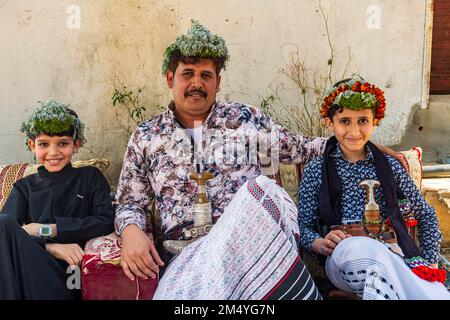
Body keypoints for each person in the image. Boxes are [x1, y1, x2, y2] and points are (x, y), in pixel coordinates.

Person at [114, 21, 406, 300]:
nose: (196, 84)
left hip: (248, 242)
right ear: (170, 78)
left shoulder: (244, 120)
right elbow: (129, 201)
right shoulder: (147, 136)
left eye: (206, 76)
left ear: (218, 82)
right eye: (187, 74)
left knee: (266, 191)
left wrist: (362, 143)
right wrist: (131, 231)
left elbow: (302, 147)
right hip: (186, 250)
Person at [298, 74, 450, 300]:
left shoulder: (390, 166)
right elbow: (302, 227)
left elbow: (426, 215)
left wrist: (427, 264)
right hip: (344, 256)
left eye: (363, 120)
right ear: (330, 123)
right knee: (366, 251)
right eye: (345, 121)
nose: (354, 131)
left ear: (375, 121)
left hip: (391, 254)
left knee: (407, 277)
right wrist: (320, 243)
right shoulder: (316, 170)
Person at [0, 100, 115, 299]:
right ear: (32, 146)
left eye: (62, 143)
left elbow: (105, 221)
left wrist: (48, 228)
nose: (53, 153)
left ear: (76, 144)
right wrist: (50, 246)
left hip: (71, 274)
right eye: (44, 144)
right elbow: (7, 233)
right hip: (30, 268)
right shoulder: (24, 186)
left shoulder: (89, 177)